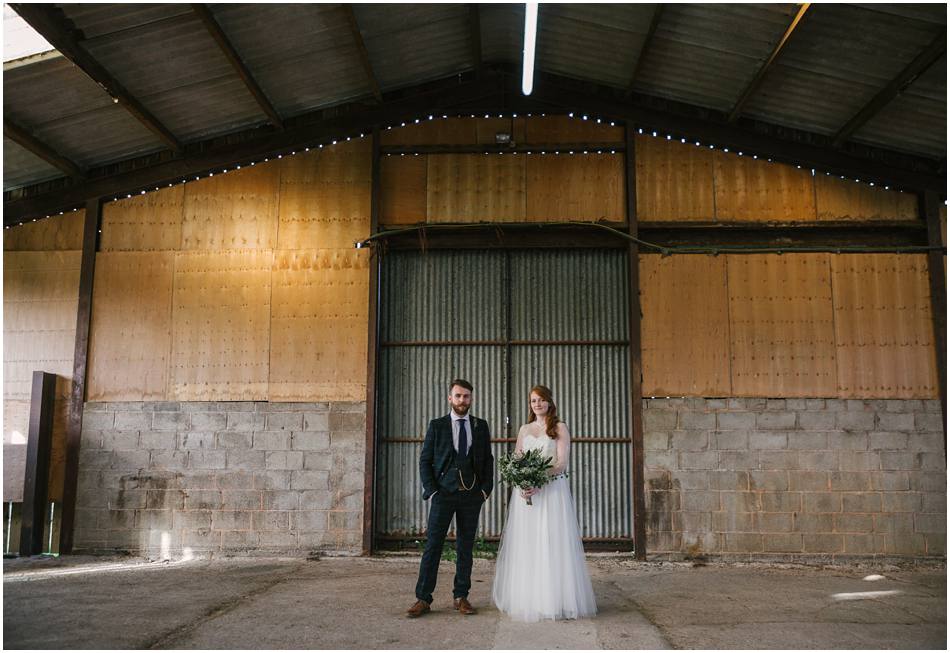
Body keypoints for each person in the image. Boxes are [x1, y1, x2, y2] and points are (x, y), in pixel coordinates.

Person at [491, 385, 597, 622]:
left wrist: (540, 479)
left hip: (552, 492)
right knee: (528, 544)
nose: (537, 404)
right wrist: (521, 483)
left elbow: (561, 463)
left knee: (552, 542)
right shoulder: (524, 429)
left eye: (541, 400)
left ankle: (554, 599)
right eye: (533, 401)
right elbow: (517, 460)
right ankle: (529, 598)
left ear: (549, 402)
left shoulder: (559, 427)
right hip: (527, 494)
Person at [407, 379, 494, 618]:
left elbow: (488, 460)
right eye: (458, 396)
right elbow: (425, 460)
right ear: (450, 398)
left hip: (471, 497)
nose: (462, 401)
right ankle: (423, 598)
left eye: (466, 396)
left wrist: (485, 490)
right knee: (433, 546)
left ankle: (461, 596)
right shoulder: (437, 426)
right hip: (443, 495)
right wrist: (433, 490)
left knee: (465, 547)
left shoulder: (480, 426)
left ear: (471, 399)